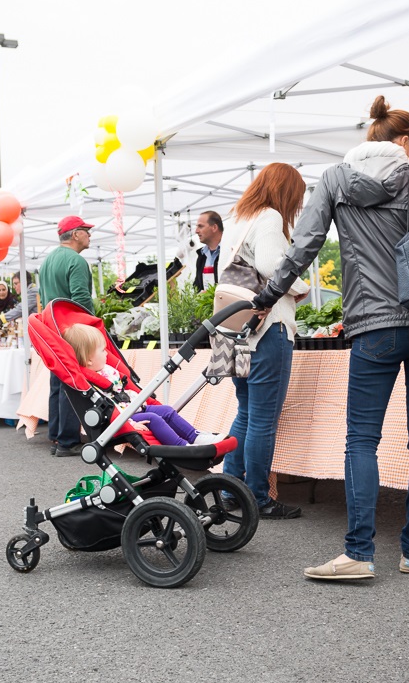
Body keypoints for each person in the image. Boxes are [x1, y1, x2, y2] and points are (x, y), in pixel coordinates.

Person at [253, 96, 409, 581]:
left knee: (361, 440)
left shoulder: (334, 180)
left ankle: (359, 554)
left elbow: (304, 246)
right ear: (403, 142)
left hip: (374, 326)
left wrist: (269, 293)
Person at [218, 163, 311, 519]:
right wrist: (302, 289)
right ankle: (257, 497)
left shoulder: (239, 218)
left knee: (245, 411)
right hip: (266, 329)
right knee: (263, 419)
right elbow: (275, 266)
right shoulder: (270, 217)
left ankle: (230, 490)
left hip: (231, 329)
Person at [63, 322, 217, 447]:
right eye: (102, 351)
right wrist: (129, 425)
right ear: (89, 360)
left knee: (167, 411)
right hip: (123, 418)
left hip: (134, 406)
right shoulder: (92, 384)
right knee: (153, 418)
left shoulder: (105, 370)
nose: (106, 354)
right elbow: (109, 408)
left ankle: (195, 436)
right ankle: (182, 446)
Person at [40, 216, 95, 456]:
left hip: (51, 327)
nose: (89, 235)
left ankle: (56, 436)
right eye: (86, 231)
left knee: (56, 383)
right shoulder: (76, 261)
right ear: (75, 234)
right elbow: (80, 298)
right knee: (71, 384)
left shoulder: (47, 261)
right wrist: (89, 327)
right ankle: (68, 441)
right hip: (71, 329)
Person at [193, 210, 224, 289]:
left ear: (214, 227)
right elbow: (197, 285)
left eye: (200, 226)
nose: (196, 231)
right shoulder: (201, 255)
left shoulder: (231, 251)